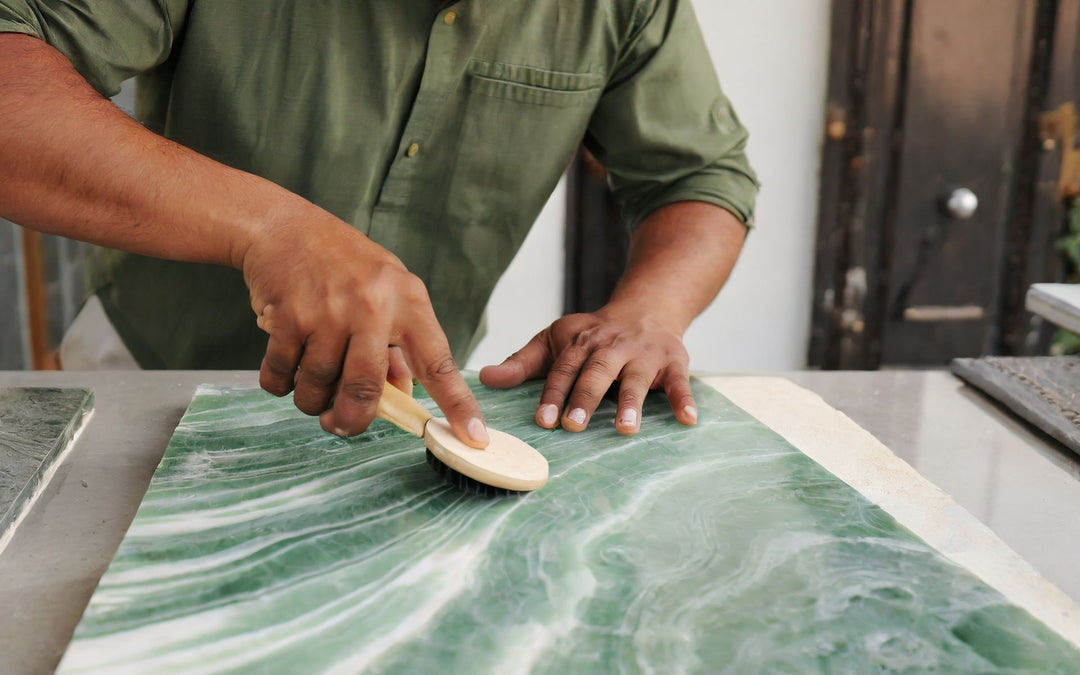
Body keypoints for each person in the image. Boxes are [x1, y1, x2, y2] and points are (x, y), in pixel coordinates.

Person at [0, 1, 757, 447]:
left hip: (404, 416)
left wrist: (648, 311)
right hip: (148, 379)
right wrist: (268, 226)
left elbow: (699, 176)